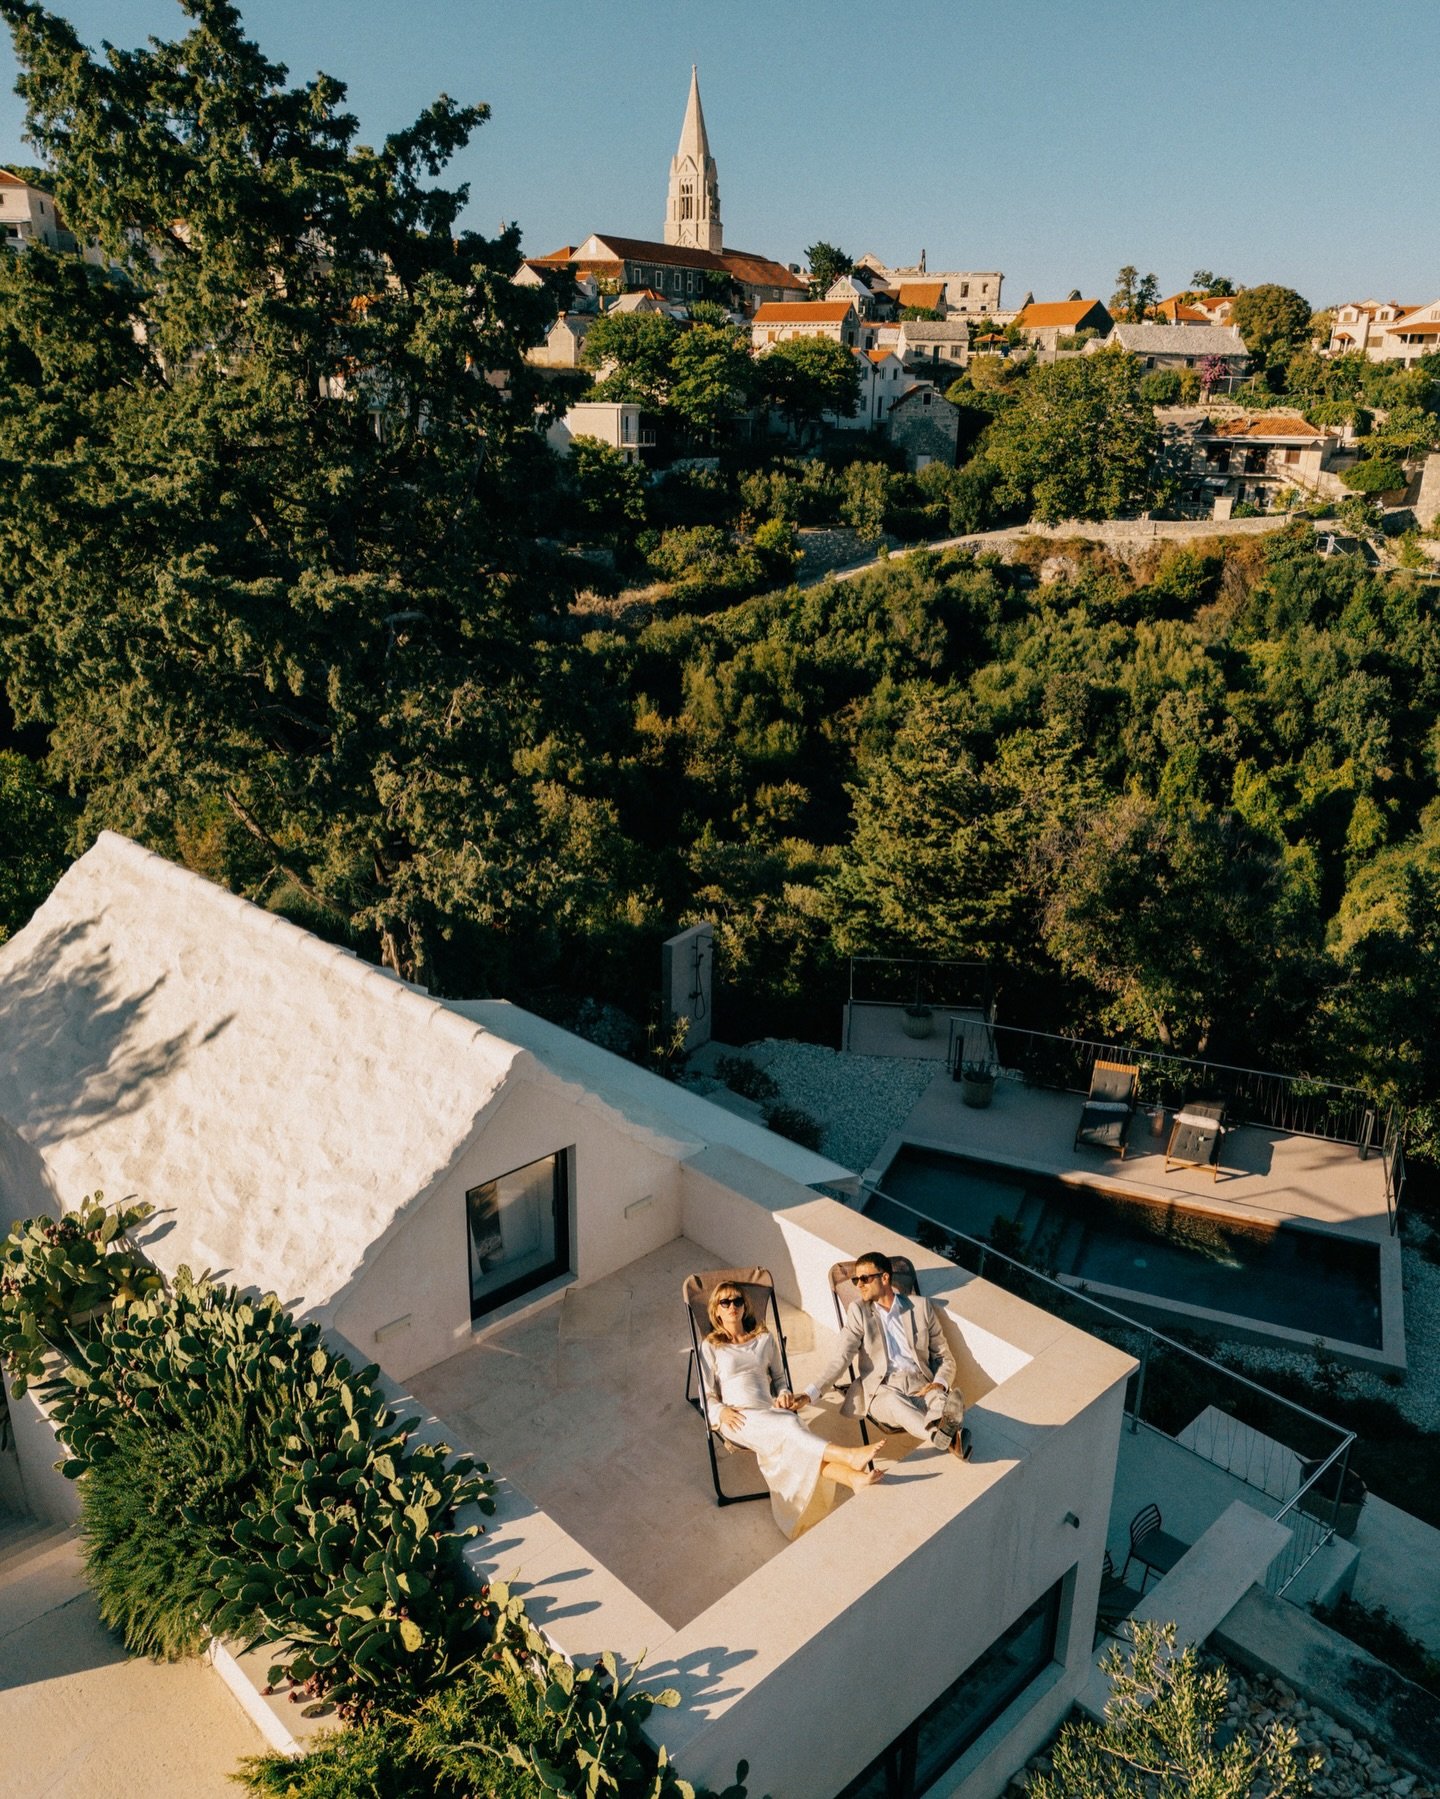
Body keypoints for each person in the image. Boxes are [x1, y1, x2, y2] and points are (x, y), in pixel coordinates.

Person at [700, 1281, 884, 1539]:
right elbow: (706, 1393)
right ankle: (848, 1456)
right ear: (716, 1311)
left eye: (737, 1301)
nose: (732, 1306)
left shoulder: (763, 1338)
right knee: (790, 1426)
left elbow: (779, 1380)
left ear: (745, 1306)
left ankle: (853, 1479)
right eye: (725, 1302)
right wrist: (720, 1412)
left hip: (768, 1411)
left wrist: (785, 1395)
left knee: (794, 1433)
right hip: (738, 1418)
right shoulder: (711, 1346)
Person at [802, 1251, 973, 1459]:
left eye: (864, 1279)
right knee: (894, 1402)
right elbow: (841, 1357)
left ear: (884, 1278)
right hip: (882, 1389)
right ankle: (943, 1436)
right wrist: (809, 1393)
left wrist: (939, 1383)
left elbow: (944, 1357)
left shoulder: (920, 1307)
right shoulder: (858, 1311)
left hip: (922, 1385)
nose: (858, 1285)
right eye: (856, 1280)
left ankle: (946, 1434)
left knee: (938, 1397)